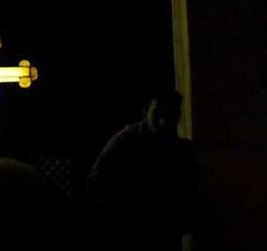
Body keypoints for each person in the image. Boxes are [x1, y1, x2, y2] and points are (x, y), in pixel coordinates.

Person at [84, 89, 197, 250]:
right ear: (145, 112)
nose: (164, 121)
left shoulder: (181, 150)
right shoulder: (125, 142)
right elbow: (95, 183)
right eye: (158, 112)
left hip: (163, 234)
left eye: (171, 114)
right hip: (128, 233)